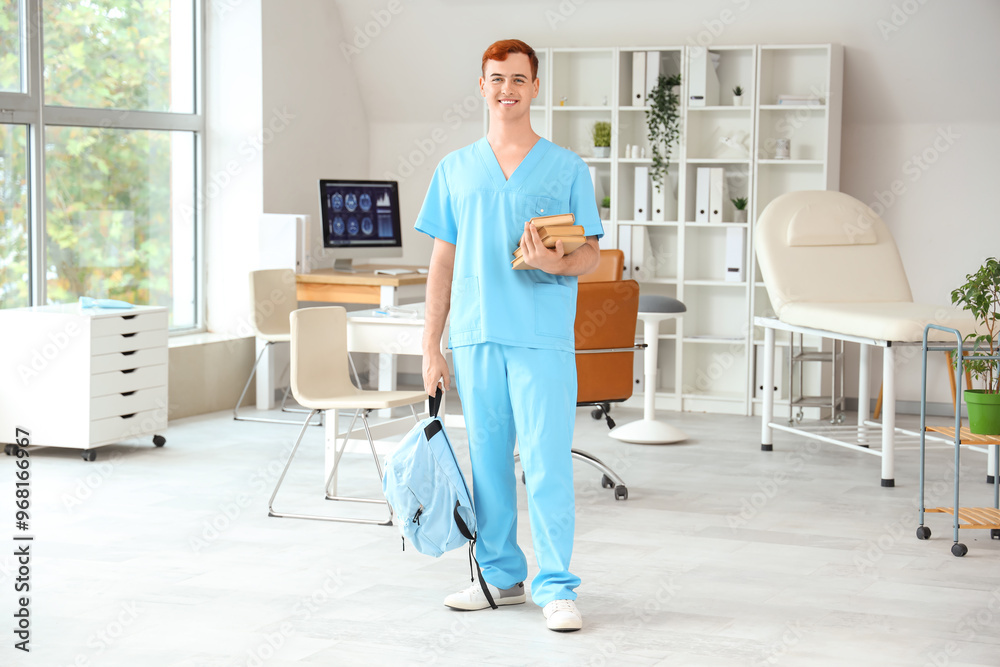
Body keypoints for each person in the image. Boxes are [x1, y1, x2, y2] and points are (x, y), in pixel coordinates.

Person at [415, 38, 603, 632]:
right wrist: (431, 346)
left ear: (535, 87)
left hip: (540, 335)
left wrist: (555, 263)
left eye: (518, 79)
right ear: (481, 85)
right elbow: (441, 264)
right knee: (488, 464)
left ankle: (557, 587)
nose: (507, 90)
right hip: (475, 335)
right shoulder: (454, 169)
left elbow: (592, 253)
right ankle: (499, 577)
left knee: (545, 463)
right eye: (497, 79)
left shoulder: (568, 167)